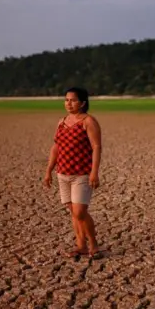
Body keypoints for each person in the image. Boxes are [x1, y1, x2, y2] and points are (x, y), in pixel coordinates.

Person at [43, 87, 103, 258]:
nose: (68, 103)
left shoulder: (88, 121)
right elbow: (56, 147)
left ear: (83, 103)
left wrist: (94, 172)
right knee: (73, 212)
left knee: (80, 212)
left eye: (73, 100)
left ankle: (94, 244)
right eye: (66, 99)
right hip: (63, 174)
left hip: (82, 174)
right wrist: (49, 170)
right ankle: (80, 245)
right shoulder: (61, 122)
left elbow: (96, 147)